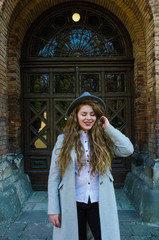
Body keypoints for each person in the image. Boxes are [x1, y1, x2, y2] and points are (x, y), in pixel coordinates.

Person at [48, 92, 134, 240]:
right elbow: (54, 176)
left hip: (99, 201)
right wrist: (53, 209)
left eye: (93, 114)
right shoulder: (63, 141)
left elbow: (128, 149)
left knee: (104, 236)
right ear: (76, 116)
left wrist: (108, 128)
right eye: (84, 114)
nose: (88, 118)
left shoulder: (104, 139)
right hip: (73, 202)